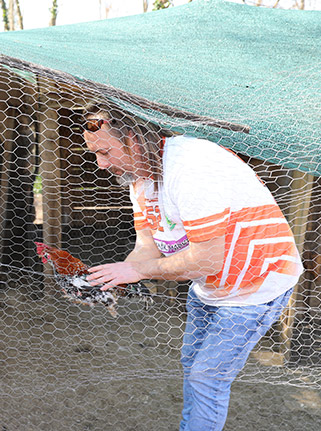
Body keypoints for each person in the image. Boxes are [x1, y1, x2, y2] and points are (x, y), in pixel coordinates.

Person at [82, 103, 303, 430]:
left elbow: (206, 258)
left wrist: (139, 272)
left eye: (104, 152)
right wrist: (112, 278)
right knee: (192, 364)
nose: (100, 164)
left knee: (206, 375)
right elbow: (147, 245)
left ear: (132, 139)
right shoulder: (140, 179)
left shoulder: (192, 167)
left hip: (255, 286)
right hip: (209, 285)